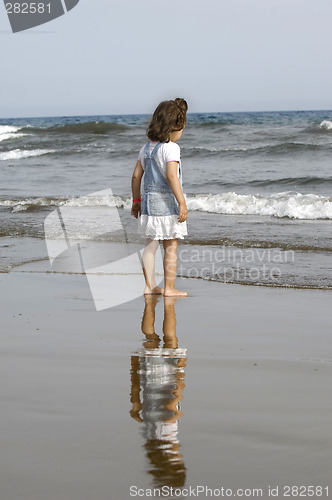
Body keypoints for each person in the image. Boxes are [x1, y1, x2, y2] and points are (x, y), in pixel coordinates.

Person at [131, 98, 189, 297]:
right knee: (171, 246)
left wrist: (136, 201)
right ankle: (169, 289)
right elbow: (172, 176)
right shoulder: (171, 148)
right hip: (165, 204)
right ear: (175, 127)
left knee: (150, 245)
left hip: (147, 204)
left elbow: (136, 176)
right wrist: (182, 202)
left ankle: (149, 286)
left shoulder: (146, 148)